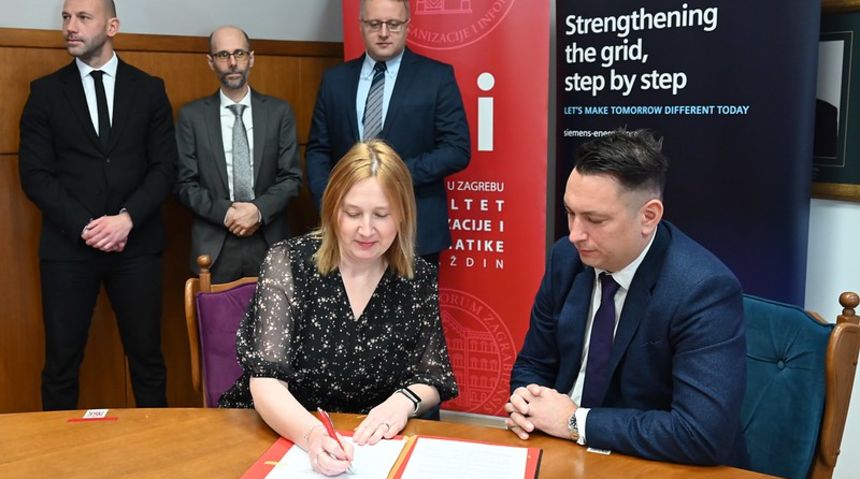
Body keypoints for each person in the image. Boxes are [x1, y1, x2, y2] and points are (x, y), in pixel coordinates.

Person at [505, 129, 749, 468]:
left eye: (595, 219)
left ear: (649, 216)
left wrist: (576, 422)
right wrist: (527, 403)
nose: (575, 234)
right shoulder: (566, 258)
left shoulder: (702, 290)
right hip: (563, 454)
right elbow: (534, 363)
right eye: (570, 212)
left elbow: (701, 434)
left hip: (653, 464)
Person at [220, 140, 458, 476]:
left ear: (403, 214)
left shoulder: (417, 278)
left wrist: (401, 403)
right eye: (353, 213)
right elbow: (266, 382)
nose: (366, 229)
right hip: (283, 437)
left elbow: (432, 377)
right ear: (332, 209)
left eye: (381, 215)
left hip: (368, 449)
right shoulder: (288, 263)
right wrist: (313, 436)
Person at [18, 0, 176, 410]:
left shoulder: (149, 89)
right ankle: (59, 451)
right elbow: (35, 175)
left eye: (83, 18)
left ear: (112, 27)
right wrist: (88, 226)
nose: (70, 26)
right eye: (66, 18)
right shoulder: (45, 92)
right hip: (68, 249)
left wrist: (126, 220)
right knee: (60, 365)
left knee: (148, 361)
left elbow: (165, 168)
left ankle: (158, 447)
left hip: (136, 247)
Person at [306, 0, 470, 264]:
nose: (383, 33)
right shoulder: (335, 80)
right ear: (361, 26)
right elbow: (318, 150)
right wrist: (329, 200)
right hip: (348, 228)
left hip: (415, 228)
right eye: (374, 24)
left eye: (393, 24)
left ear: (407, 26)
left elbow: (456, 150)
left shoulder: (436, 77)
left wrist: (391, 176)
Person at [175, 26, 302, 282]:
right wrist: (228, 214)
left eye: (239, 53)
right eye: (223, 55)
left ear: (251, 58)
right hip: (215, 246)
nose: (232, 63)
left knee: (276, 311)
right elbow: (184, 184)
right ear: (210, 61)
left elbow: (292, 178)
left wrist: (257, 210)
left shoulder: (279, 112)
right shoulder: (192, 117)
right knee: (214, 311)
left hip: (268, 238)